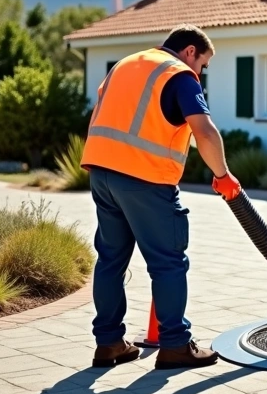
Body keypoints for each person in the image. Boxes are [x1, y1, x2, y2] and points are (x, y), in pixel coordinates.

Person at [80, 24, 242, 369]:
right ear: (189, 52)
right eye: (204, 64)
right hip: (145, 178)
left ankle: (108, 344)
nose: (202, 73)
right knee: (168, 263)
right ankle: (175, 345)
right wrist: (222, 175)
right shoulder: (178, 73)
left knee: (110, 260)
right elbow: (205, 130)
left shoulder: (124, 65)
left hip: (101, 172)